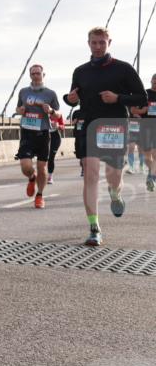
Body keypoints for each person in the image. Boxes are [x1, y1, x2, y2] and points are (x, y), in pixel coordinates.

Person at [62, 27, 146, 246]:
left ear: (109, 42)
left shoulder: (123, 69)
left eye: (102, 42)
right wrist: (70, 99)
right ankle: (94, 227)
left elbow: (142, 98)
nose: (98, 46)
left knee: (113, 176)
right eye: (94, 43)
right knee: (90, 174)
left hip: (114, 127)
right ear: (88, 43)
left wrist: (117, 98)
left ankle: (114, 193)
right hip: (89, 126)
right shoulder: (80, 71)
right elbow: (74, 97)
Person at [15, 64, 60, 208]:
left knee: (42, 167)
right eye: (33, 73)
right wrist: (20, 110)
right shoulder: (23, 92)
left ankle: (39, 195)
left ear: (43, 75)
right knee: (25, 166)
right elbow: (17, 108)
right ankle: (31, 177)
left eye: (38, 73)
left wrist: (51, 111)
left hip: (43, 133)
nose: (35, 76)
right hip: (27, 133)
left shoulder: (50, 94)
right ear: (30, 75)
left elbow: (58, 115)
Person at [130, 72, 156, 191]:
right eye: (154, 81)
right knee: (147, 156)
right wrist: (143, 111)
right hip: (145, 127)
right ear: (151, 81)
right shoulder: (144, 94)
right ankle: (151, 172)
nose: (155, 83)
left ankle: (151, 177)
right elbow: (133, 110)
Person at [47, 110, 64, 184]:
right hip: (44, 136)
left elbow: (63, 126)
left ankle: (50, 177)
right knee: (43, 157)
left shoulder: (57, 114)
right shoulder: (41, 113)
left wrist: (58, 126)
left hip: (55, 137)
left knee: (51, 157)